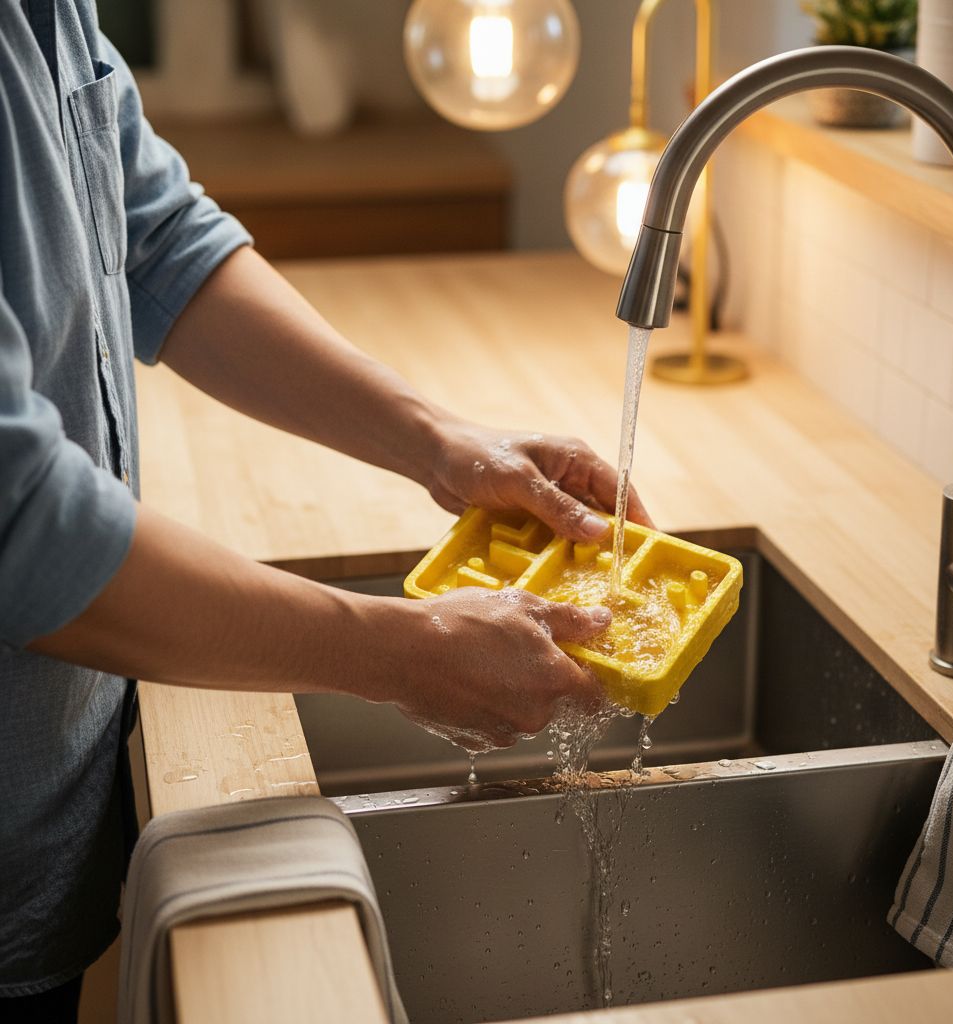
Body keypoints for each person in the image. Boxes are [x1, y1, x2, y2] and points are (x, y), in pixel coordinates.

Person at [0, 2, 653, 1020]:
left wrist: (439, 440)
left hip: (45, 819)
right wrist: (405, 649)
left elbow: (156, 236)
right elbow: (22, 527)